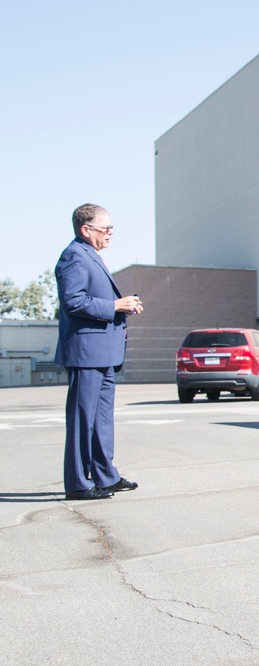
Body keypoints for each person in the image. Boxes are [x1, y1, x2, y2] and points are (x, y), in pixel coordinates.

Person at [55, 204, 143, 500]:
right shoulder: (74, 256)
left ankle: (106, 477)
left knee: (101, 420)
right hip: (86, 352)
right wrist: (115, 305)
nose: (111, 233)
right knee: (83, 420)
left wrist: (124, 307)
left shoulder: (92, 256)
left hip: (103, 352)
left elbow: (93, 301)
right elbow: (74, 301)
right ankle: (78, 484)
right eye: (106, 228)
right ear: (86, 229)